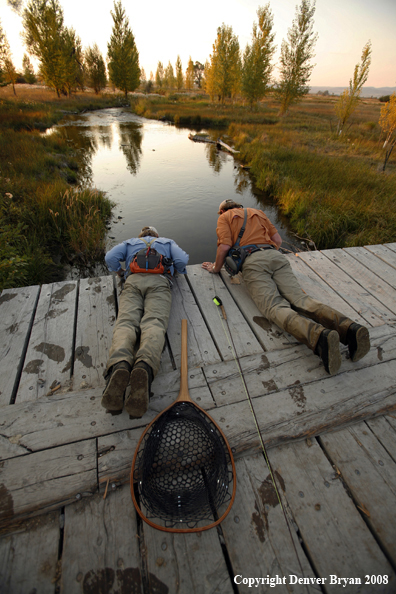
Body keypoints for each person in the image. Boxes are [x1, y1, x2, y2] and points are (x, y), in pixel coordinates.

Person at [202, 200, 370, 374]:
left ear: (222, 211)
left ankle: (320, 337)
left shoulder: (224, 218)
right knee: (301, 299)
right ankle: (350, 329)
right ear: (239, 206)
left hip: (253, 262)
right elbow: (277, 240)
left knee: (275, 306)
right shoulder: (257, 212)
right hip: (277, 256)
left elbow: (224, 247)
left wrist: (216, 268)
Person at [103, 226, 189, 416]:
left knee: (126, 323)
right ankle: (144, 367)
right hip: (159, 282)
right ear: (157, 235)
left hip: (132, 282)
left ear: (140, 236)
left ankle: (120, 365)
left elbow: (110, 257)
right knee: (154, 323)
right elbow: (182, 260)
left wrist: (119, 271)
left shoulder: (129, 243)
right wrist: (177, 271)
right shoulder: (167, 242)